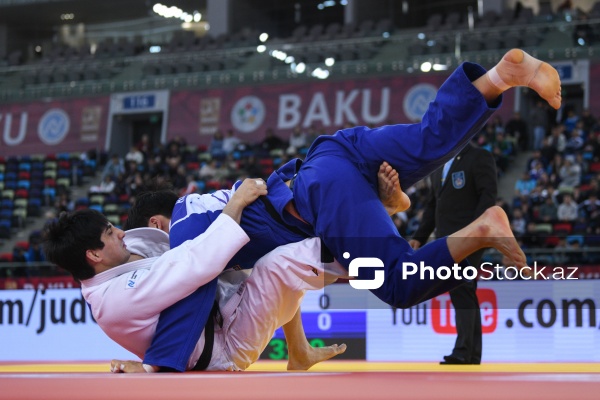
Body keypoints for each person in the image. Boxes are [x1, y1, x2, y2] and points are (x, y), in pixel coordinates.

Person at [113, 48, 562, 372]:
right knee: (429, 143)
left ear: (157, 224)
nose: (152, 257)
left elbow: (186, 293)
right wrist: (299, 349)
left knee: (398, 284)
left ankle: (481, 228)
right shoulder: (210, 208)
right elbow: (278, 281)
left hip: (320, 198)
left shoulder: (188, 240)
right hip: (332, 153)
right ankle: (502, 75)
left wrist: (157, 367)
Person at [42, 179, 346, 373]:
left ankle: (301, 348)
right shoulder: (114, 300)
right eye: (110, 233)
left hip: (224, 309)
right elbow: (192, 264)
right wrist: (235, 203)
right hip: (227, 348)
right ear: (94, 255)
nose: (121, 232)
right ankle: (378, 254)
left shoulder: (118, 259)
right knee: (283, 263)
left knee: (281, 250)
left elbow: (154, 238)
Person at [409, 142, 497, 365]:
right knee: (464, 290)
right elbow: (433, 206)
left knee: (461, 288)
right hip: (446, 240)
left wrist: (477, 231)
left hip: (470, 237)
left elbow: (488, 197)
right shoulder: (438, 165)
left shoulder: (479, 157)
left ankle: (463, 350)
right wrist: (420, 236)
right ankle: (471, 353)